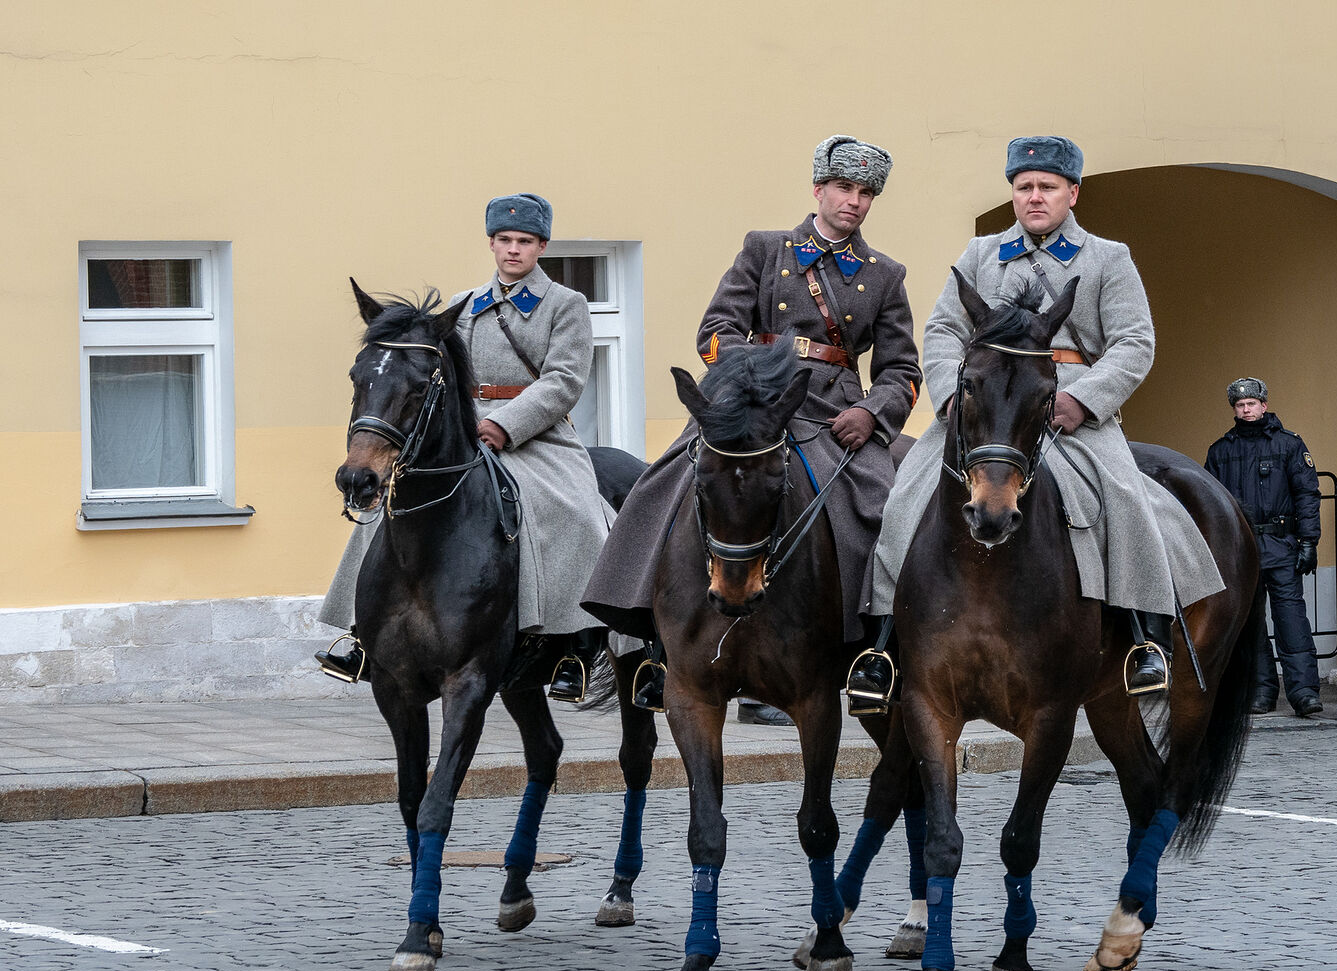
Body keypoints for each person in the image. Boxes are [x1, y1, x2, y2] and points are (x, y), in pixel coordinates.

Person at [855, 135, 1226, 705]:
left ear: (1071, 193)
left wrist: (1087, 400)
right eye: (1024, 187)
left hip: (1071, 400)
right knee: (908, 489)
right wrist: (954, 396)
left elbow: (1134, 342)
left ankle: (1142, 636)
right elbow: (943, 331)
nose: (1034, 197)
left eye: (1047, 187)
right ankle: (880, 644)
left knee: (1123, 493)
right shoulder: (980, 254)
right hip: (985, 405)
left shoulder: (1108, 257)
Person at [581, 134, 922, 725]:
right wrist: (751, 382)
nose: (855, 202)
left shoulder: (885, 275)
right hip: (749, 404)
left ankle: (872, 651)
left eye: (866, 194)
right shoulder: (766, 249)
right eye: (844, 188)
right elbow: (717, 328)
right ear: (819, 190)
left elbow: (902, 369)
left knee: (881, 507)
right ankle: (650, 647)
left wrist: (872, 413)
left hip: (833, 417)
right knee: (660, 489)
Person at [316, 193, 611, 703]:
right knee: (391, 502)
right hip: (461, 429)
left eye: (523, 242)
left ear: (541, 246)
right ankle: (361, 635)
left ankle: (574, 645)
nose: (513, 250)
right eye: (504, 241)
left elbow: (564, 380)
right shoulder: (465, 304)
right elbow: (442, 376)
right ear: (491, 243)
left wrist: (505, 423)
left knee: (579, 516)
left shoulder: (566, 305)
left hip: (537, 435)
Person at [1204, 377, 1324, 717]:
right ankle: (1261, 691)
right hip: (1241, 553)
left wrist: (1308, 542)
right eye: (1240, 406)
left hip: (1282, 546)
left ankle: (1304, 692)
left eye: (1251, 404)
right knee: (1251, 626)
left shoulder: (1288, 445)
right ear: (1234, 410)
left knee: (1292, 622)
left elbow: (1307, 495)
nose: (1246, 409)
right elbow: (1210, 503)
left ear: (1263, 405)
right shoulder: (1221, 451)